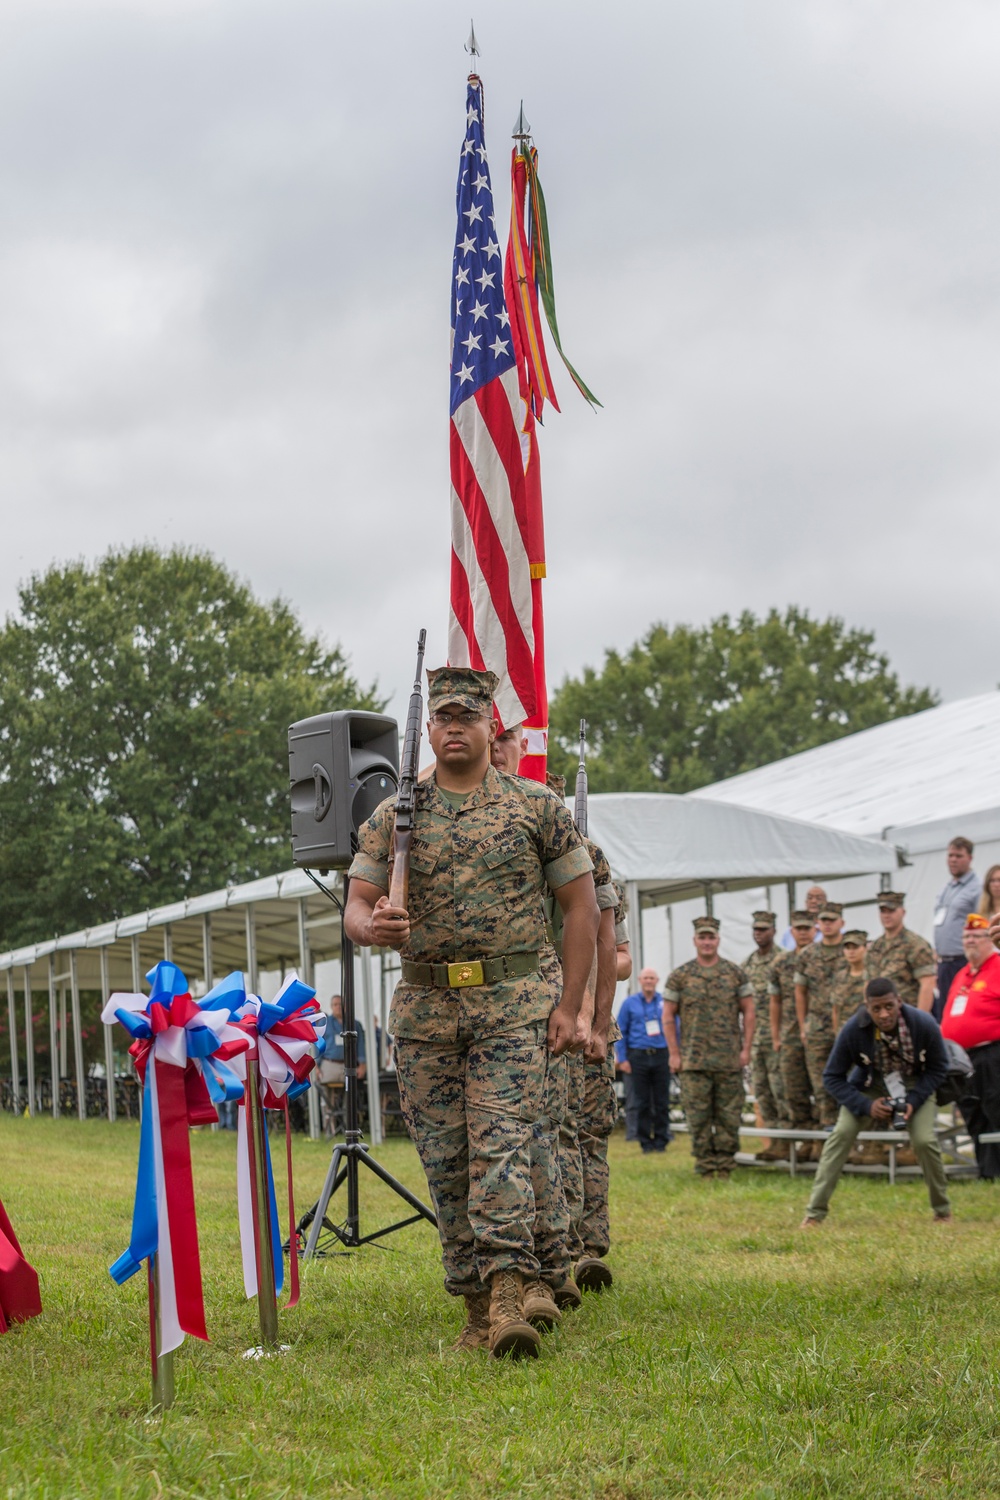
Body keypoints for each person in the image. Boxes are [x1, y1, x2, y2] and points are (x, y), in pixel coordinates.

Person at [345, 666, 599, 1360]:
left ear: (492, 726)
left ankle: (512, 1293)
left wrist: (572, 1007)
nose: (454, 727)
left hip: (515, 1006)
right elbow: (356, 906)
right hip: (427, 1010)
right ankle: (476, 1306)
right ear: (427, 731)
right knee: (446, 1162)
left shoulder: (536, 806)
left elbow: (582, 909)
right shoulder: (396, 814)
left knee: (502, 1148)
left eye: (468, 716)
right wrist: (375, 928)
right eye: (443, 718)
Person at [800, 977, 951, 1227]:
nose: (883, 1014)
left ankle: (942, 1210)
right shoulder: (853, 1030)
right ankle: (814, 1213)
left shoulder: (923, 1024)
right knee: (841, 1134)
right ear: (866, 1007)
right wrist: (865, 1105)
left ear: (899, 1002)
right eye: (876, 1008)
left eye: (889, 1006)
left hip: (915, 1083)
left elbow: (939, 1068)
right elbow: (832, 1077)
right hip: (871, 1085)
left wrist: (914, 1100)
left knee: (925, 1141)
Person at [664, 918, 754, 1179]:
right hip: (693, 1062)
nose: (707, 942)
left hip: (729, 1060)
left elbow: (749, 1012)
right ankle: (704, 1165)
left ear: (718, 940)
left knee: (729, 1116)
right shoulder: (680, 975)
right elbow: (668, 1016)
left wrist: (745, 1049)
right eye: (702, 937)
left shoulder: (735, 973)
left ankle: (725, 1165)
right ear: (695, 940)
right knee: (698, 1116)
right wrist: (674, 1053)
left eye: (711, 937)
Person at [941, 913, 1000, 1180]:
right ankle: (985, 1170)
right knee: (972, 1111)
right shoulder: (962, 974)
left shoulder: (997, 967)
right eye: (966, 936)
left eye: (977, 936)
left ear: (991, 939)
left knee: (994, 1109)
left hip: (991, 1053)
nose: (970, 941)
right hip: (963, 1058)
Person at [770, 911, 821, 1157]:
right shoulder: (780, 962)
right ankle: (805, 1139)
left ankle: (821, 1139)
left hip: (819, 1033)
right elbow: (775, 1001)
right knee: (794, 1088)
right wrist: (776, 1035)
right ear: (791, 931)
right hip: (790, 1034)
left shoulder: (822, 958)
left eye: (807, 928)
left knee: (821, 1088)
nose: (802, 932)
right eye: (798, 928)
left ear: (815, 930)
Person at [795, 901, 846, 1131]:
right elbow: (800, 992)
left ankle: (853, 1129)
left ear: (841, 923)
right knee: (820, 1081)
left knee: (851, 1078)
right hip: (816, 1026)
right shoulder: (807, 955)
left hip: (846, 1026)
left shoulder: (851, 949)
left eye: (832, 921)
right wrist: (803, 1025)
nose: (827, 925)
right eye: (823, 921)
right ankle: (827, 1127)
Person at [743, 911, 790, 1162]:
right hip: (756, 1040)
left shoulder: (783, 960)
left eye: (763, 929)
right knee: (762, 1091)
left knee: (780, 1089)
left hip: (778, 1037)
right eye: (756, 929)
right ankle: (773, 1142)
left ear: (773, 930)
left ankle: (786, 1140)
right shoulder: (748, 963)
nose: (759, 933)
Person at [615, 968, 672, 1154]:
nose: (648, 981)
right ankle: (645, 1141)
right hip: (637, 1055)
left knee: (662, 1100)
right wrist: (622, 1058)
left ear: (657, 980)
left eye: (652, 978)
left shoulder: (665, 1002)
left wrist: (675, 1054)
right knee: (641, 1101)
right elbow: (620, 1031)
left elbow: (675, 1028)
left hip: (662, 1054)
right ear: (640, 980)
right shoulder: (629, 1003)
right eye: (645, 978)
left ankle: (662, 1140)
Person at [932, 838, 982, 1022]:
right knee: (945, 1015)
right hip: (944, 962)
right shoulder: (948, 887)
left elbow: (981, 924)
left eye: (959, 856)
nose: (953, 860)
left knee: (964, 1013)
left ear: (970, 858)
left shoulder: (977, 888)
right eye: (950, 855)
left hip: (963, 961)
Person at [867, 893, 936, 1012]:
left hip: (906, 1013)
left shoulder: (915, 945)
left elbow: (927, 984)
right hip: (880, 1016)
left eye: (891, 911)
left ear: (903, 912)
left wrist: (921, 1019)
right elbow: (868, 984)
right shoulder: (875, 947)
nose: (886, 916)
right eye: (883, 911)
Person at [778, 885, 826, 950]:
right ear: (806, 902)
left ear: (825, 902)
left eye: (818, 898)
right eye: (810, 898)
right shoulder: (788, 933)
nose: (813, 901)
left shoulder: (833, 931)